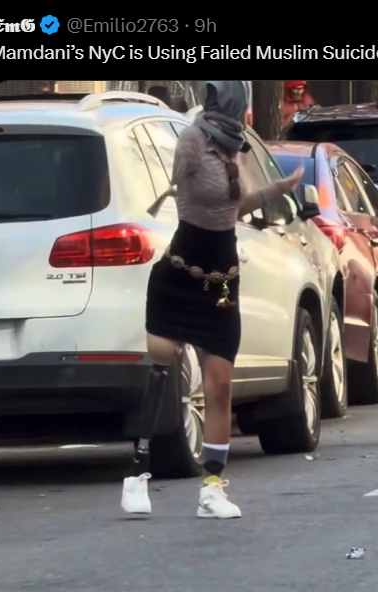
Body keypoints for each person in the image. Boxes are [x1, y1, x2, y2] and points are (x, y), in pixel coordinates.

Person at [121, 81, 303, 519]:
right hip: (180, 274)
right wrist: (193, 137)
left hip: (221, 283)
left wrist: (280, 188)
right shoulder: (193, 140)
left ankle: (213, 488)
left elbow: (233, 208)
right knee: (163, 363)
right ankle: (137, 474)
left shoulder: (234, 149)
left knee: (219, 385)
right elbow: (183, 185)